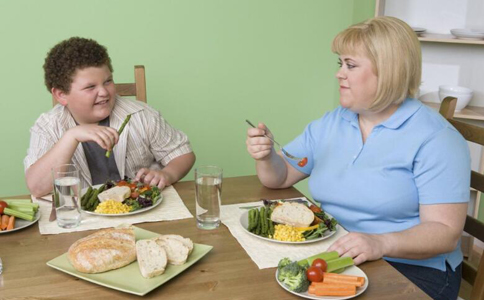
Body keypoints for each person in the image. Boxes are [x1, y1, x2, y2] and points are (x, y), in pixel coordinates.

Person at [246, 16, 470, 300]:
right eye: (340, 64)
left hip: (411, 269)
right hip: (340, 254)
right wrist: (265, 157)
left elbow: (445, 232)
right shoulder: (333, 122)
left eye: (350, 65)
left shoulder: (436, 139)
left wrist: (380, 243)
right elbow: (280, 177)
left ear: (389, 71)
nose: (340, 74)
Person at [25, 37, 195, 197]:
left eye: (108, 81)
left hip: (139, 209)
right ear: (61, 95)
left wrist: (167, 174)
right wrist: (71, 136)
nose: (104, 92)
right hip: (82, 219)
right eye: (90, 87)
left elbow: (182, 154)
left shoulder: (141, 115)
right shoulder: (47, 127)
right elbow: (38, 187)